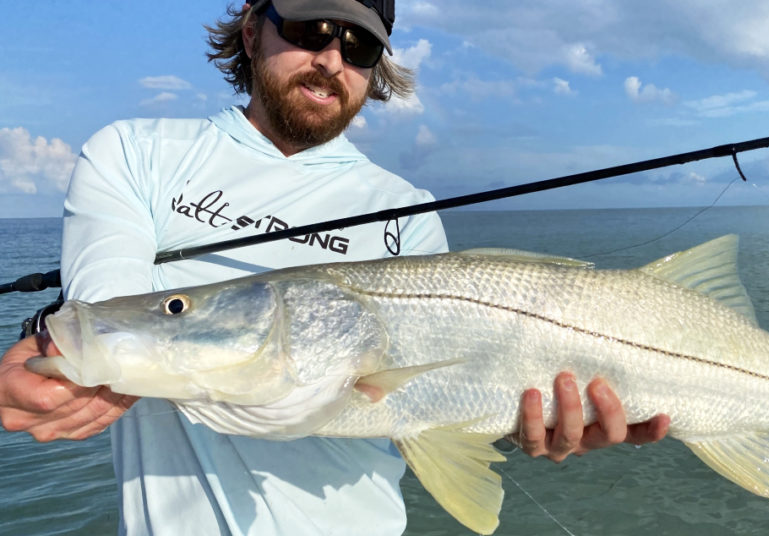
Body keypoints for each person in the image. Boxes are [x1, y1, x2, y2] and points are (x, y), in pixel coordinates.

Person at [0, 1, 670, 534]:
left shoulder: (407, 210)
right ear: (251, 29)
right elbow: (111, 316)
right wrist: (48, 347)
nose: (330, 59)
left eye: (360, 46)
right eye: (309, 28)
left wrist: (534, 428)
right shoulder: (135, 154)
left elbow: (444, 404)